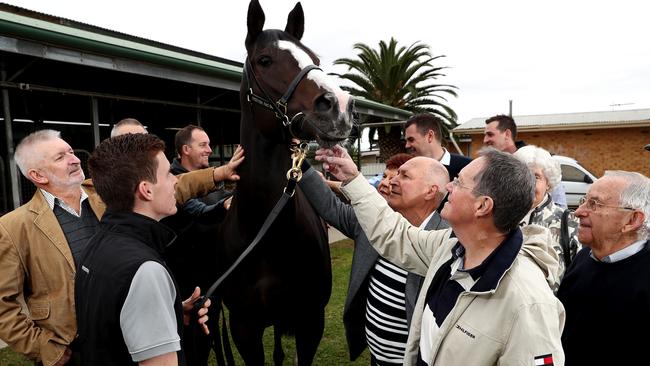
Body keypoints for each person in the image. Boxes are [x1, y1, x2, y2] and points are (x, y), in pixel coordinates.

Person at [0, 129, 242, 366]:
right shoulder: (13, 227)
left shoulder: (101, 193)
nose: (74, 160)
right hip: (70, 349)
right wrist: (45, 348)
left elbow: (169, 184)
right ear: (38, 175)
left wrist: (218, 173)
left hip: (121, 336)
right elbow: (4, 306)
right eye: (60, 157)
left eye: (72, 152)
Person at [317, 145, 564, 366]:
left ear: (482, 206)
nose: (448, 186)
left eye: (458, 182)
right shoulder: (450, 248)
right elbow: (396, 235)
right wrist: (353, 178)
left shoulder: (529, 305)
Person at [74, 133, 216, 365]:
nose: (176, 181)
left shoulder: (95, 245)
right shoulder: (145, 270)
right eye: (169, 173)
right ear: (146, 190)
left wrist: (172, 313)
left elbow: (112, 323)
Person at [300, 153, 449, 365]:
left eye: (404, 176)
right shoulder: (372, 222)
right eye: (394, 174)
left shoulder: (447, 244)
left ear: (430, 191)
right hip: (376, 356)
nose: (390, 181)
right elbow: (330, 206)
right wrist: (299, 161)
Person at [557, 171, 650, 365]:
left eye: (594, 204)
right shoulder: (583, 258)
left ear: (632, 220)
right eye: (584, 200)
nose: (578, 211)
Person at [164, 124, 233, 365]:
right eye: (203, 145)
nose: (209, 150)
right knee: (188, 351)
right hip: (185, 292)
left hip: (211, 285)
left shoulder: (214, 183)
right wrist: (224, 206)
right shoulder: (170, 181)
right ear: (185, 149)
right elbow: (198, 212)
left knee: (203, 347)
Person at [514, 145, 579, 282]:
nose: (527, 183)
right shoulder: (499, 217)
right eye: (521, 175)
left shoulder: (569, 222)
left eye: (536, 177)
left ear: (548, 183)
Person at [483, 114, 568, 208]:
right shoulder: (487, 167)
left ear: (507, 134)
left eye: (490, 134)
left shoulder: (541, 162)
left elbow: (560, 207)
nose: (485, 140)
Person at [404, 113, 471, 180]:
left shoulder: (468, 167)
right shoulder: (406, 169)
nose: (407, 145)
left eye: (411, 140)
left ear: (430, 136)